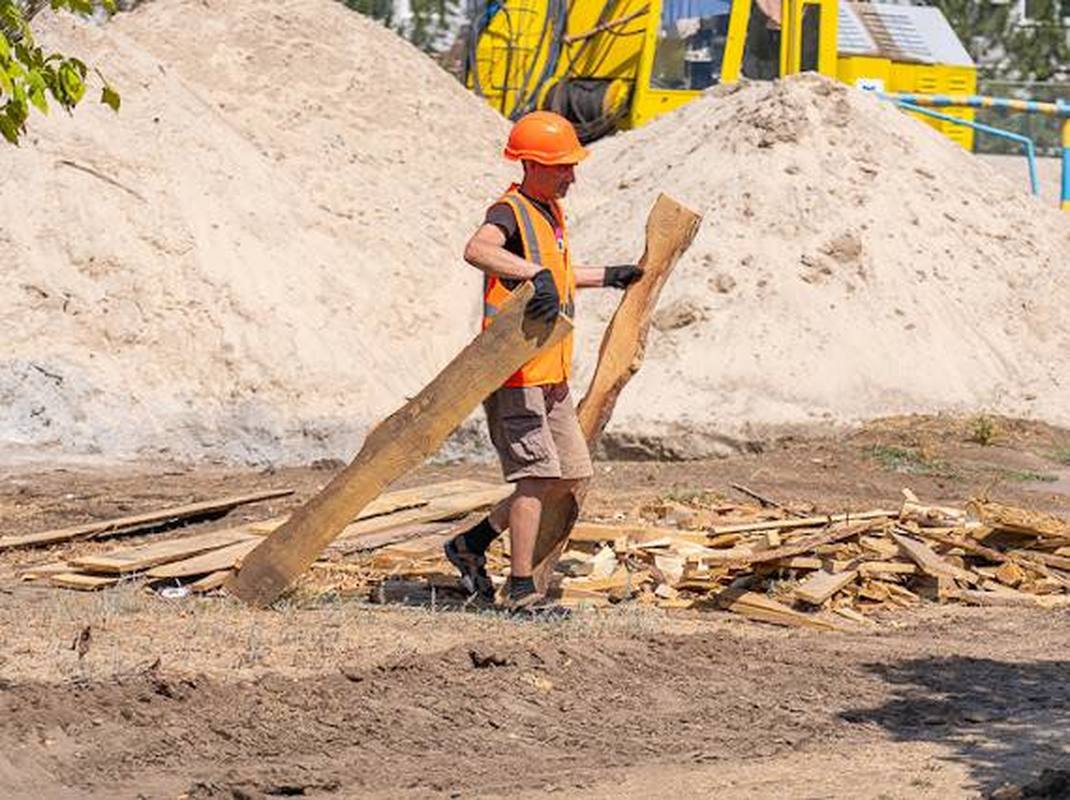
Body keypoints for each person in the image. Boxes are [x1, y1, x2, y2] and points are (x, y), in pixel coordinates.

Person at [443, 111, 643, 609]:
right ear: (531, 164)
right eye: (562, 167)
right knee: (534, 477)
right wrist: (536, 272)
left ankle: (473, 543)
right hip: (516, 375)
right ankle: (521, 591)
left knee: (571, 473)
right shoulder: (508, 212)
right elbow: (477, 249)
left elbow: (557, 275)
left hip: (551, 374)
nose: (571, 176)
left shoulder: (549, 213)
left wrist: (610, 275)